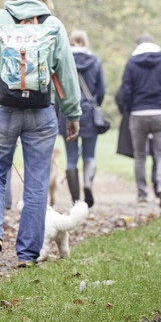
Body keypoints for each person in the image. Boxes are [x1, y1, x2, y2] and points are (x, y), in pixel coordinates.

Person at [0, 0, 81, 267]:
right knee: (36, 180)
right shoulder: (53, 25)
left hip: (0, 108)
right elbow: (67, 74)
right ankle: (28, 253)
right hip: (42, 111)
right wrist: (72, 113)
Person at [117, 34, 161, 208]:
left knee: (140, 156)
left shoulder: (131, 63)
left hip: (138, 114)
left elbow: (125, 90)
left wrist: (129, 109)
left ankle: (142, 195)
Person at [62, 30, 109, 207]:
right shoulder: (95, 62)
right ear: (86, 43)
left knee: (71, 158)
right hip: (89, 113)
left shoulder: (64, 60)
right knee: (89, 155)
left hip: (66, 113)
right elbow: (102, 90)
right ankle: (88, 184)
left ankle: (75, 199)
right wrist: (95, 103)